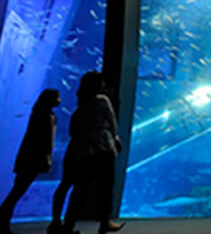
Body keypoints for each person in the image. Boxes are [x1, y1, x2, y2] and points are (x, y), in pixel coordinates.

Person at [60, 72, 125, 234]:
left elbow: (73, 129)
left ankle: (69, 224)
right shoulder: (102, 100)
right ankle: (105, 222)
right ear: (99, 84)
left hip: (84, 151)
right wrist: (116, 139)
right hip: (103, 148)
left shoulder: (82, 103)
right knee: (106, 187)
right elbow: (112, 123)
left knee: (80, 188)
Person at [0, 89, 61, 234]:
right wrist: (46, 158)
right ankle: (2, 221)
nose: (59, 100)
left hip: (28, 158)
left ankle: (3, 220)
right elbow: (44, 141)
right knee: (17, 192)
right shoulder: (45, 117)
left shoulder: (41, 114)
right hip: (32, 160)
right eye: (57, 97)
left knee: (17, 191)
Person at [48, 92, 83, 234]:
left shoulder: (77, 111)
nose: (60, 100)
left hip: (72, 152)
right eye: (57, 97)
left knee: (65, 185)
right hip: (80, 153)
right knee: (73, 188)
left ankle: (56, 221)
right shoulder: (48, 117)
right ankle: (65, 223)